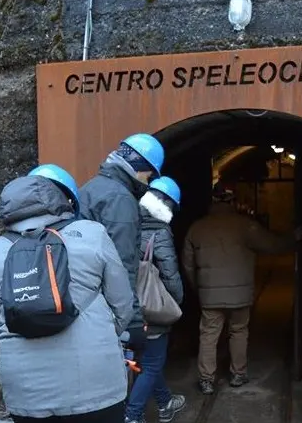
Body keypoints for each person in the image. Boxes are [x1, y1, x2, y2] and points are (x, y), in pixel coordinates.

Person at [0, 164, 136, 422]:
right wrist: (107, 332)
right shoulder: (92, 234)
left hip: (25, 391)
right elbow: (123, 303)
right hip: (95, 383)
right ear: (65, 201)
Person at [182, 183, 301, 395]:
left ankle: (206, 380)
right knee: (238, 331)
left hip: (210, 295)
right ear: (232, 200)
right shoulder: (246, 226)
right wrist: (294, 237)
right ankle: (238, 374)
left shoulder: (196, 228)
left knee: (209, 335)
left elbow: (188, 264)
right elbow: (272, 245)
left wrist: (199, 288)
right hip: (240, 295)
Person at [79, 133, 165, 356]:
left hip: (84, 300)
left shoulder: (91, 187)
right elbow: (121, 264)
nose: (149, 180)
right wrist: (134, 322)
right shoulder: (120, 200)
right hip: (106, 308)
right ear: (139, 166)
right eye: (150, 174)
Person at [126, 176, 186, 423]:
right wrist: (177, 302)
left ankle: (165, 402)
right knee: (151, 364)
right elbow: (170, 273)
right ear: (168, 205)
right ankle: (132, 415)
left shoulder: (128, 222)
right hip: (152, 307)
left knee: (147, 360)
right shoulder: (159, 233)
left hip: (127, 304)